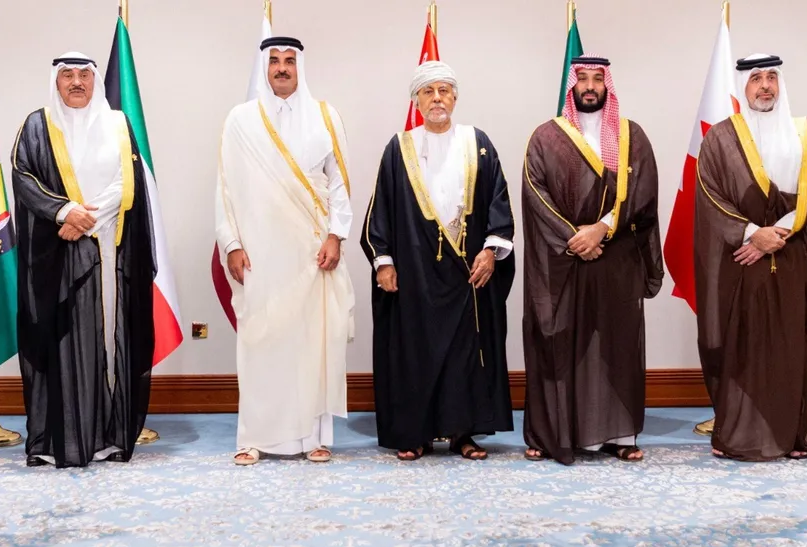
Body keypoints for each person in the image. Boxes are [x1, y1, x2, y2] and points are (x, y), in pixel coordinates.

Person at [360, 61, 515, 461]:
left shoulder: (477, 142)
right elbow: (381, 209)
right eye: (428, 92)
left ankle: (463, 434)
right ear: (416, 101)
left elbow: (498, 198)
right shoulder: (400, 147)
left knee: (466, 352)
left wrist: (491, 250)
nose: (437, 99)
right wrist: (384, 261)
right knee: (416, 350)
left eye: (444, 91)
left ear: (455, 98)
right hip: (415, 270)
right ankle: (417, 434)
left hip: (467, 270)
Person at [11, 53, 156, 468]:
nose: (76, 82)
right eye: (67, 75)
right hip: (54, 253)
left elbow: (128, 180)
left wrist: (85, 218)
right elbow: (22, 177)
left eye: (84, 75)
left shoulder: (117, 124)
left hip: (108, 247)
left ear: (95, 80)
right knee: (58, 339)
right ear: (55, 81)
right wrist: (62, 212)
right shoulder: (36, 126)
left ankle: (108, 436)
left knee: (107, 337)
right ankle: (55, 440)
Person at [215, 37, 354, 466]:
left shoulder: (325, 116)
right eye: (274, 60)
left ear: (300, 67)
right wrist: (231, 244)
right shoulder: (240, 120)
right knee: (260, 341)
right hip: (259, 252)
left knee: (312, 344)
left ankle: (314, 438)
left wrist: (336, 236)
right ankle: (253, 437)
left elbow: (339, 184)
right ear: (264, 66)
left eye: (289, 60)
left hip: (312, 252)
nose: (281, 67)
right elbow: (225, 187)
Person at [693, 54, 807, 461]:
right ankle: (737, 435)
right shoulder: (720, 137)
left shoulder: (804, 132)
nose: (765, 86)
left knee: (789, 346)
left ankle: (792, 436)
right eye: (756, 78)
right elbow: (709, 195)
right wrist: (751, 234)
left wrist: (778, 232)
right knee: (741, 345)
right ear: (743, 85)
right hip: (740, 261)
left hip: (791, 257)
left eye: (772, 77)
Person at [521, 55, 663, 465]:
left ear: (607, 86)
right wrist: (575, 237)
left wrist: (601, 229)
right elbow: (534, 193)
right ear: (572, 86)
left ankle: (619, 434)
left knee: (616, 344)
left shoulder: (631, 135)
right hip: (563, 260)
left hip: (616, 256)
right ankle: (552, 434)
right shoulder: (546, 136)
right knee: (559, 344)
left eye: (597, 79)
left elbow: (644, 193)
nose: (589, 86)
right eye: (581, 78)